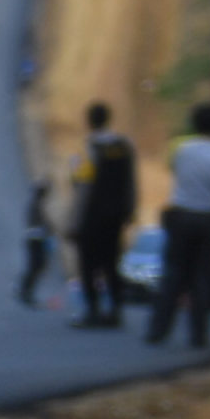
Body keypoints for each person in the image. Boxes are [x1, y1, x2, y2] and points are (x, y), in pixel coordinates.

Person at [152, 101, 210, 348]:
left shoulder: (179, 147)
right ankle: (198, 335)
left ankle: (158, 330)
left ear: (194, 124)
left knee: (173, 274)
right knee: (204, 277)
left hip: (181, 216)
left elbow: (169, 166)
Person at [69, 102, 137, 328]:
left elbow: (83, 188)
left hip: (92, 217)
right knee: (111, 263)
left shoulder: (89, 148)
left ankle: (93, 311)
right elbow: (131, 182)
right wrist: (129, 210)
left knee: (89, 265)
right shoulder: (124, 146)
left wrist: (74, 222)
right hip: (115, 217)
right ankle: (115, 310)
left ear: (89, 121)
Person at [17, 179, 55, 308]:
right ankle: (25, 291)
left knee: (36, 266)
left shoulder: (36, 205)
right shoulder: (36, 205)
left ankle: (26, 291)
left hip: (36, 239)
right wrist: (49, 228)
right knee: (35, 266)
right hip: (35, 240)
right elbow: (40, 223)